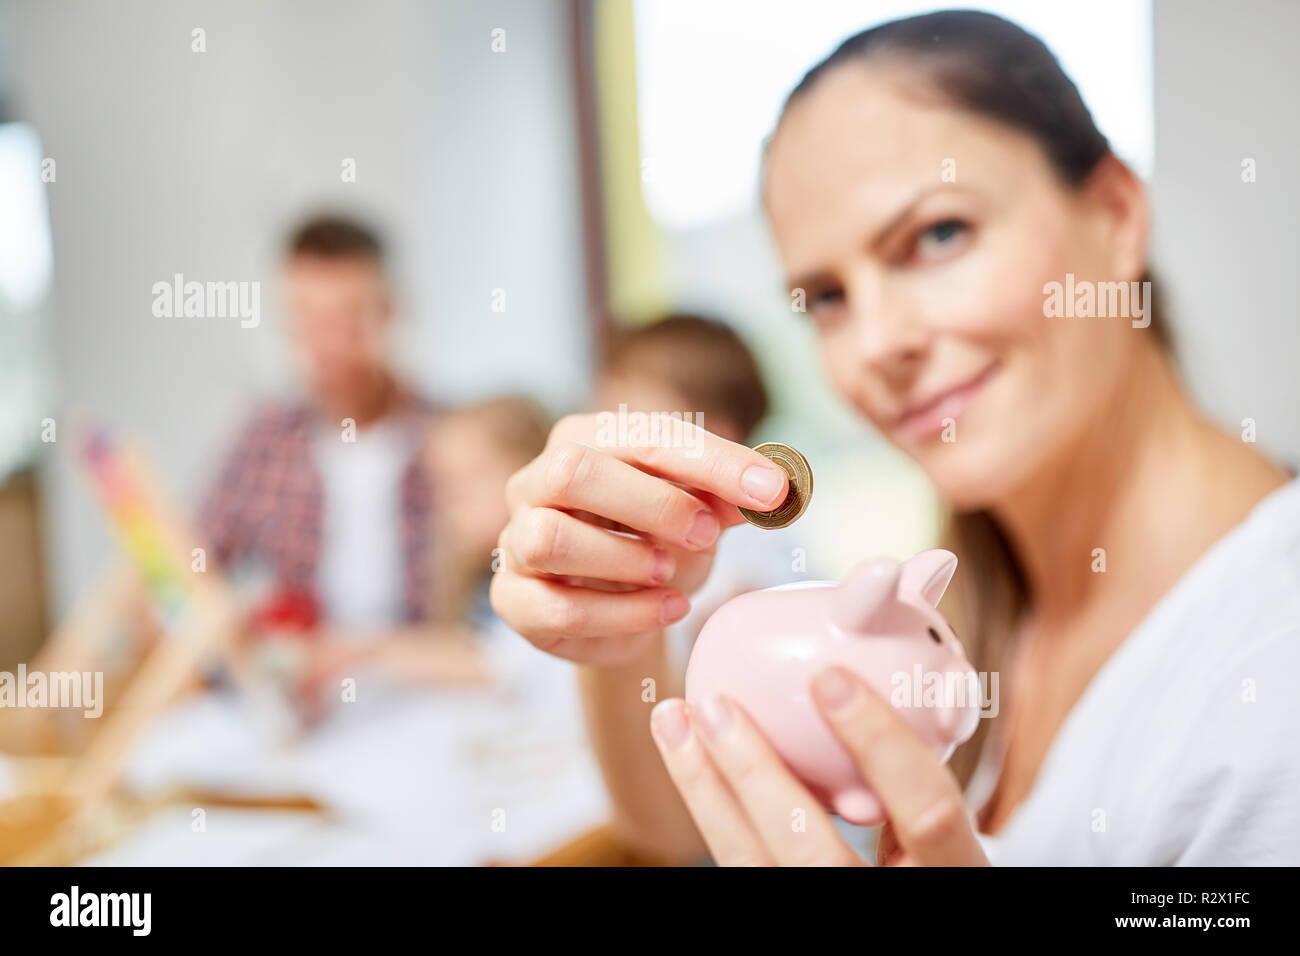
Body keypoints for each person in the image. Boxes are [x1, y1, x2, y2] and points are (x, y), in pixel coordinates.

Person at [489, 10, 1300, 865]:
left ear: (1114, 214)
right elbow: (679, 832)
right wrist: (623, 625)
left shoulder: (1271, 678)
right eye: (828, 297)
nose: (876, 345)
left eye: (939, 235)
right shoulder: (953, 604)